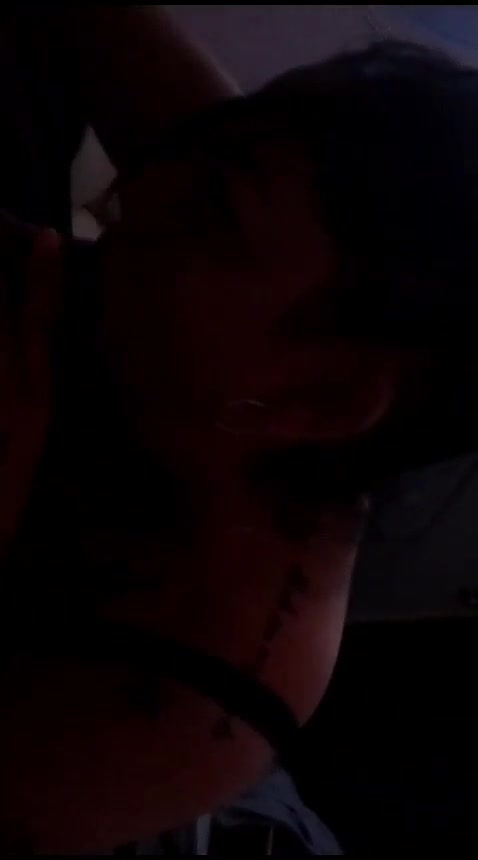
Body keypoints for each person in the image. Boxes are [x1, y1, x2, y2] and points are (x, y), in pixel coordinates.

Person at [0, 8, 476, 854]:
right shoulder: (259, 196)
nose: (134, 192)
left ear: (325, 404)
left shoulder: (178, 708)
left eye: (213, 210)